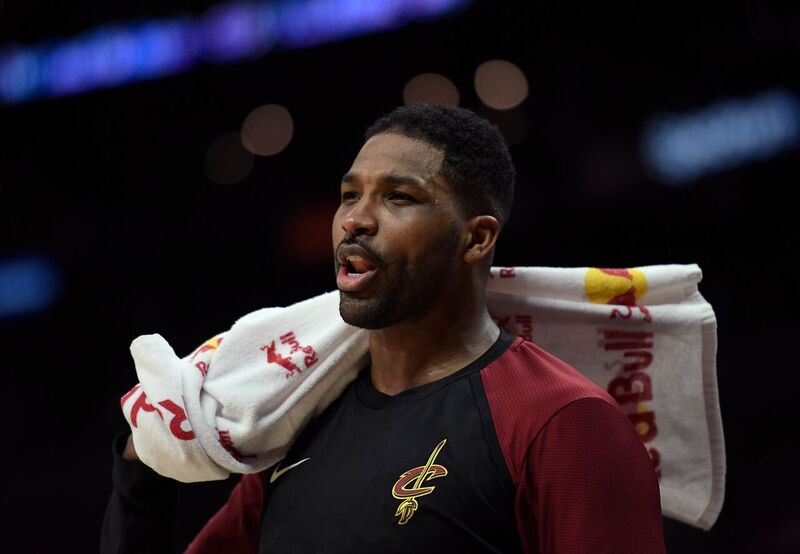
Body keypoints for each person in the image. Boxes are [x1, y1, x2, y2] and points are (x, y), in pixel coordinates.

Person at [102, 104, 666, 553]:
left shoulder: (562, 422)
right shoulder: (299, 413)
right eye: (350, 195)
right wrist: (142, 473)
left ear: (476, 239)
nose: (355, 219)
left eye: (399, 197)